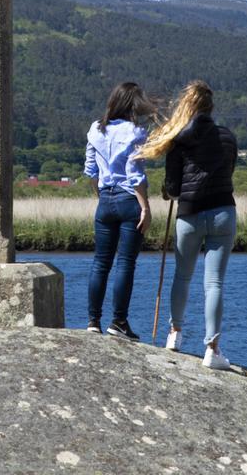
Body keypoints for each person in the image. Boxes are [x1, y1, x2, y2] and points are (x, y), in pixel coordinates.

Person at [137, 80, 238, 369]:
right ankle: (212, 349)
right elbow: (228, 173)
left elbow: (173, 186)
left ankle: (175, 334)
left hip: (189, 215)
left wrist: (168, 192)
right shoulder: (228, 137)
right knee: (215, 282)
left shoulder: (178, 139)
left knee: (182, 276)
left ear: (188, 105)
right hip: (222, 211)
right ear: (211, 106)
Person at [83, 81, 155, 340]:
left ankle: (93, 321)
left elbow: (90, 170)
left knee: (100, 262)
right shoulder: (137, 131)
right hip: (128, 200)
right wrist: (145, 207)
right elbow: (135, 174)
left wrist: (101, 195)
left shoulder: (95, 129)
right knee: (125, 263)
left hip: (105, 200)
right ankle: (119, 322)